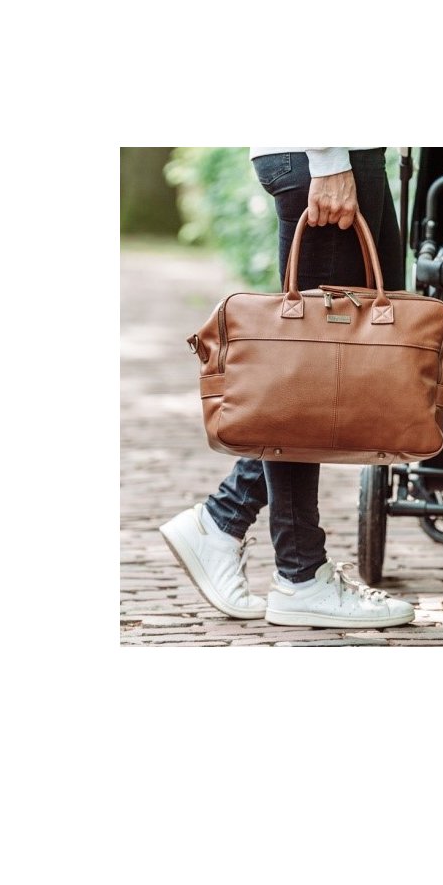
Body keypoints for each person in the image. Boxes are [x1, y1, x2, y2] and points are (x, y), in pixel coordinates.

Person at [160, 147, 415, 628]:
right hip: (325, 155)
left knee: (361, 352)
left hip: (356, 154)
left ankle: (222, 522)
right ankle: (300, 575)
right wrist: (328, 160)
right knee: (308, 371)